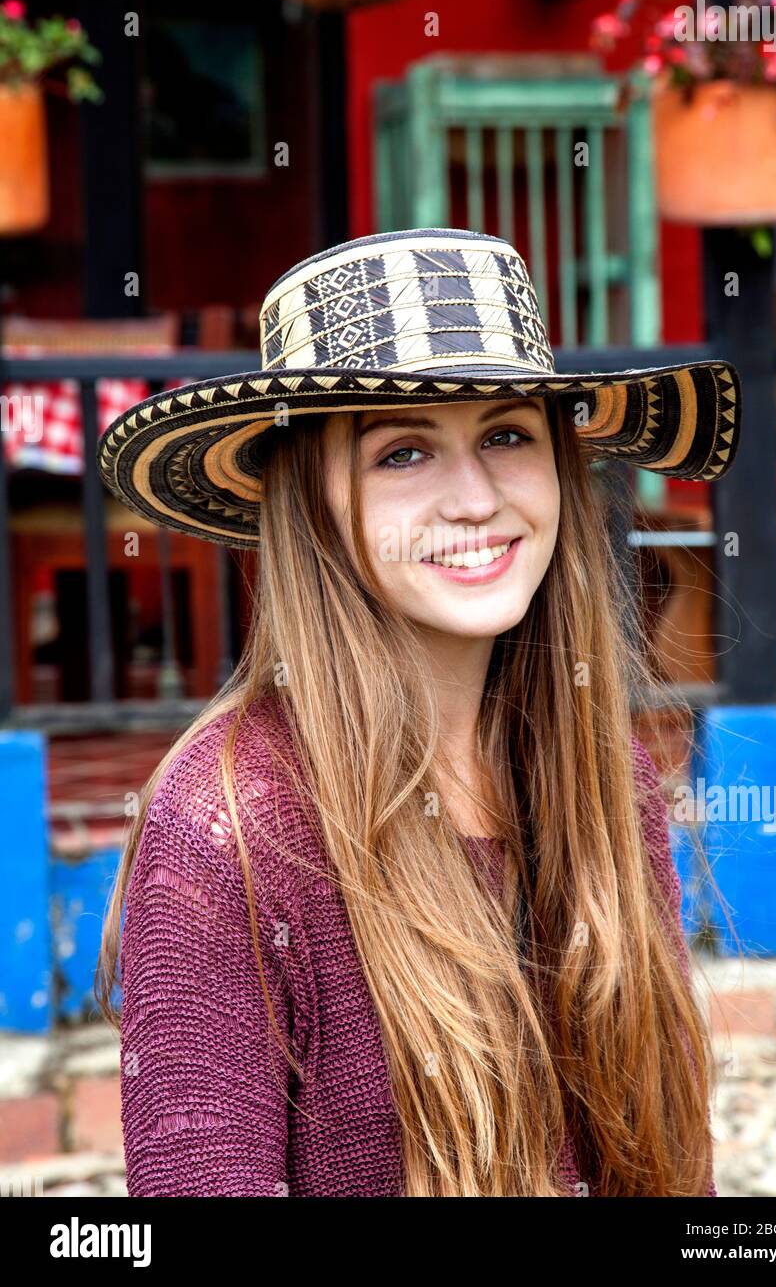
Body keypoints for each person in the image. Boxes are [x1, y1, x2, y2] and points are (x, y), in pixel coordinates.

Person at [95, 227, 740, 1197]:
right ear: (310, 504)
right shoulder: (226, 826)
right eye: (402, 452)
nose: (474, 498)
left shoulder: (611, 778)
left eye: (507, 434)